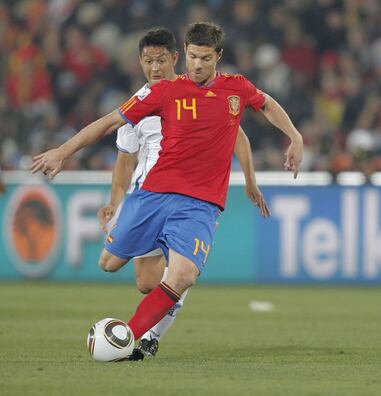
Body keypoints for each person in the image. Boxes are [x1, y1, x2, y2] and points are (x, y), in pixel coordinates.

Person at [31, 22, 303, 355]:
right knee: (111, 264)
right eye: (192, 57)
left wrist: (295, 137)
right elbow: (109, 123)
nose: (197, 65)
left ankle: (129, 336)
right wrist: (63, 151)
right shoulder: (164, 91)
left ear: (218, 56)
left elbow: (266, 105)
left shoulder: (236, 89)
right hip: (154, 195)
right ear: (184, 54)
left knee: (183, 274)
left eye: (205, 58)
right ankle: (157, 274)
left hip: (200, 204)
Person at [97, 28, 269, 358]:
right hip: (148, 199)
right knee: (145, 282)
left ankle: (148, 337)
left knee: (180, 273)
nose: (155, 68)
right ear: (140, 63)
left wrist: (249, 178)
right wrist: (114, 201)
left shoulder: (198, 94)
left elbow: (237, 135)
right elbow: (124, 159)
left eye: (161, 60)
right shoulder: (140, 104)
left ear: (176, 58)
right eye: (149, 61)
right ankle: (170, 290)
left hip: (191, 199)